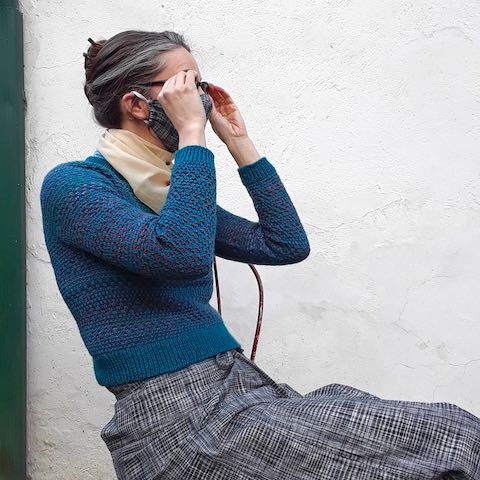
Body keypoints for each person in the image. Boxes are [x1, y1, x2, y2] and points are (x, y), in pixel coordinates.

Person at [39, 30, 480, 480]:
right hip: (176, 420)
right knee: (451, 440)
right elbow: (181, 254)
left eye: (202, 88)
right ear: (137, 104)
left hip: (237, 388)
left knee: (442, 434)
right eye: (189, 87)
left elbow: (285, 244)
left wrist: (240, 144)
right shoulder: (76, 187)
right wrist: (193, 134)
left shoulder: (168, 194)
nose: (203, 102)